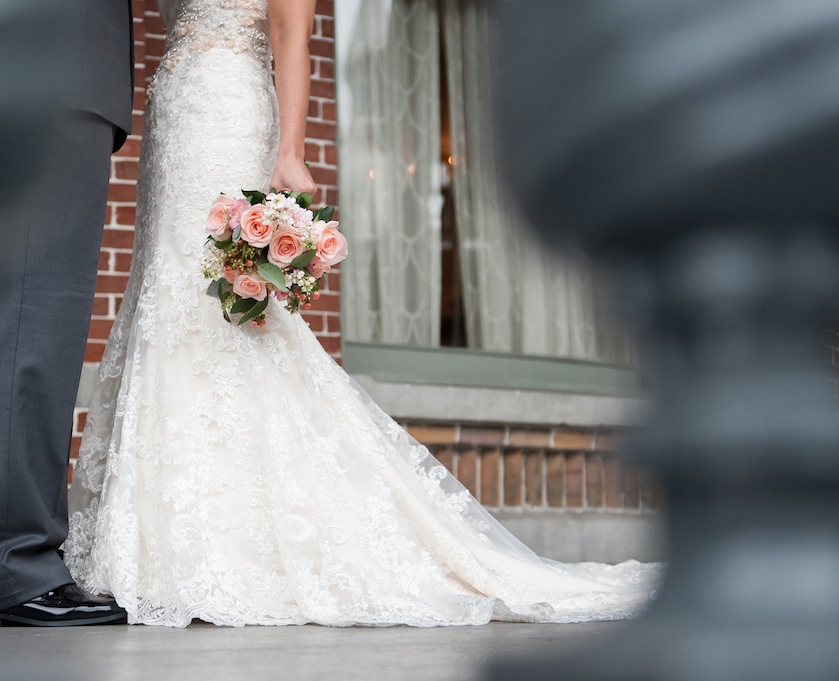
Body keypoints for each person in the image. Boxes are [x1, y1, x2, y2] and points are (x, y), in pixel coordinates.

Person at [65, 0, 659, 627]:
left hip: (231, 110)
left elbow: (295, 32)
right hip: (173, 110)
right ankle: (162, 531)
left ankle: (232, 536)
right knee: (170, 294)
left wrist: (290, 151)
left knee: (226, 307)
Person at [0, 1, 135, 627]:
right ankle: (9, 562)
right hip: (51, 65)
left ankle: (8, 558)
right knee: (30, 322)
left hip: (35, 67)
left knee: (24, 320)